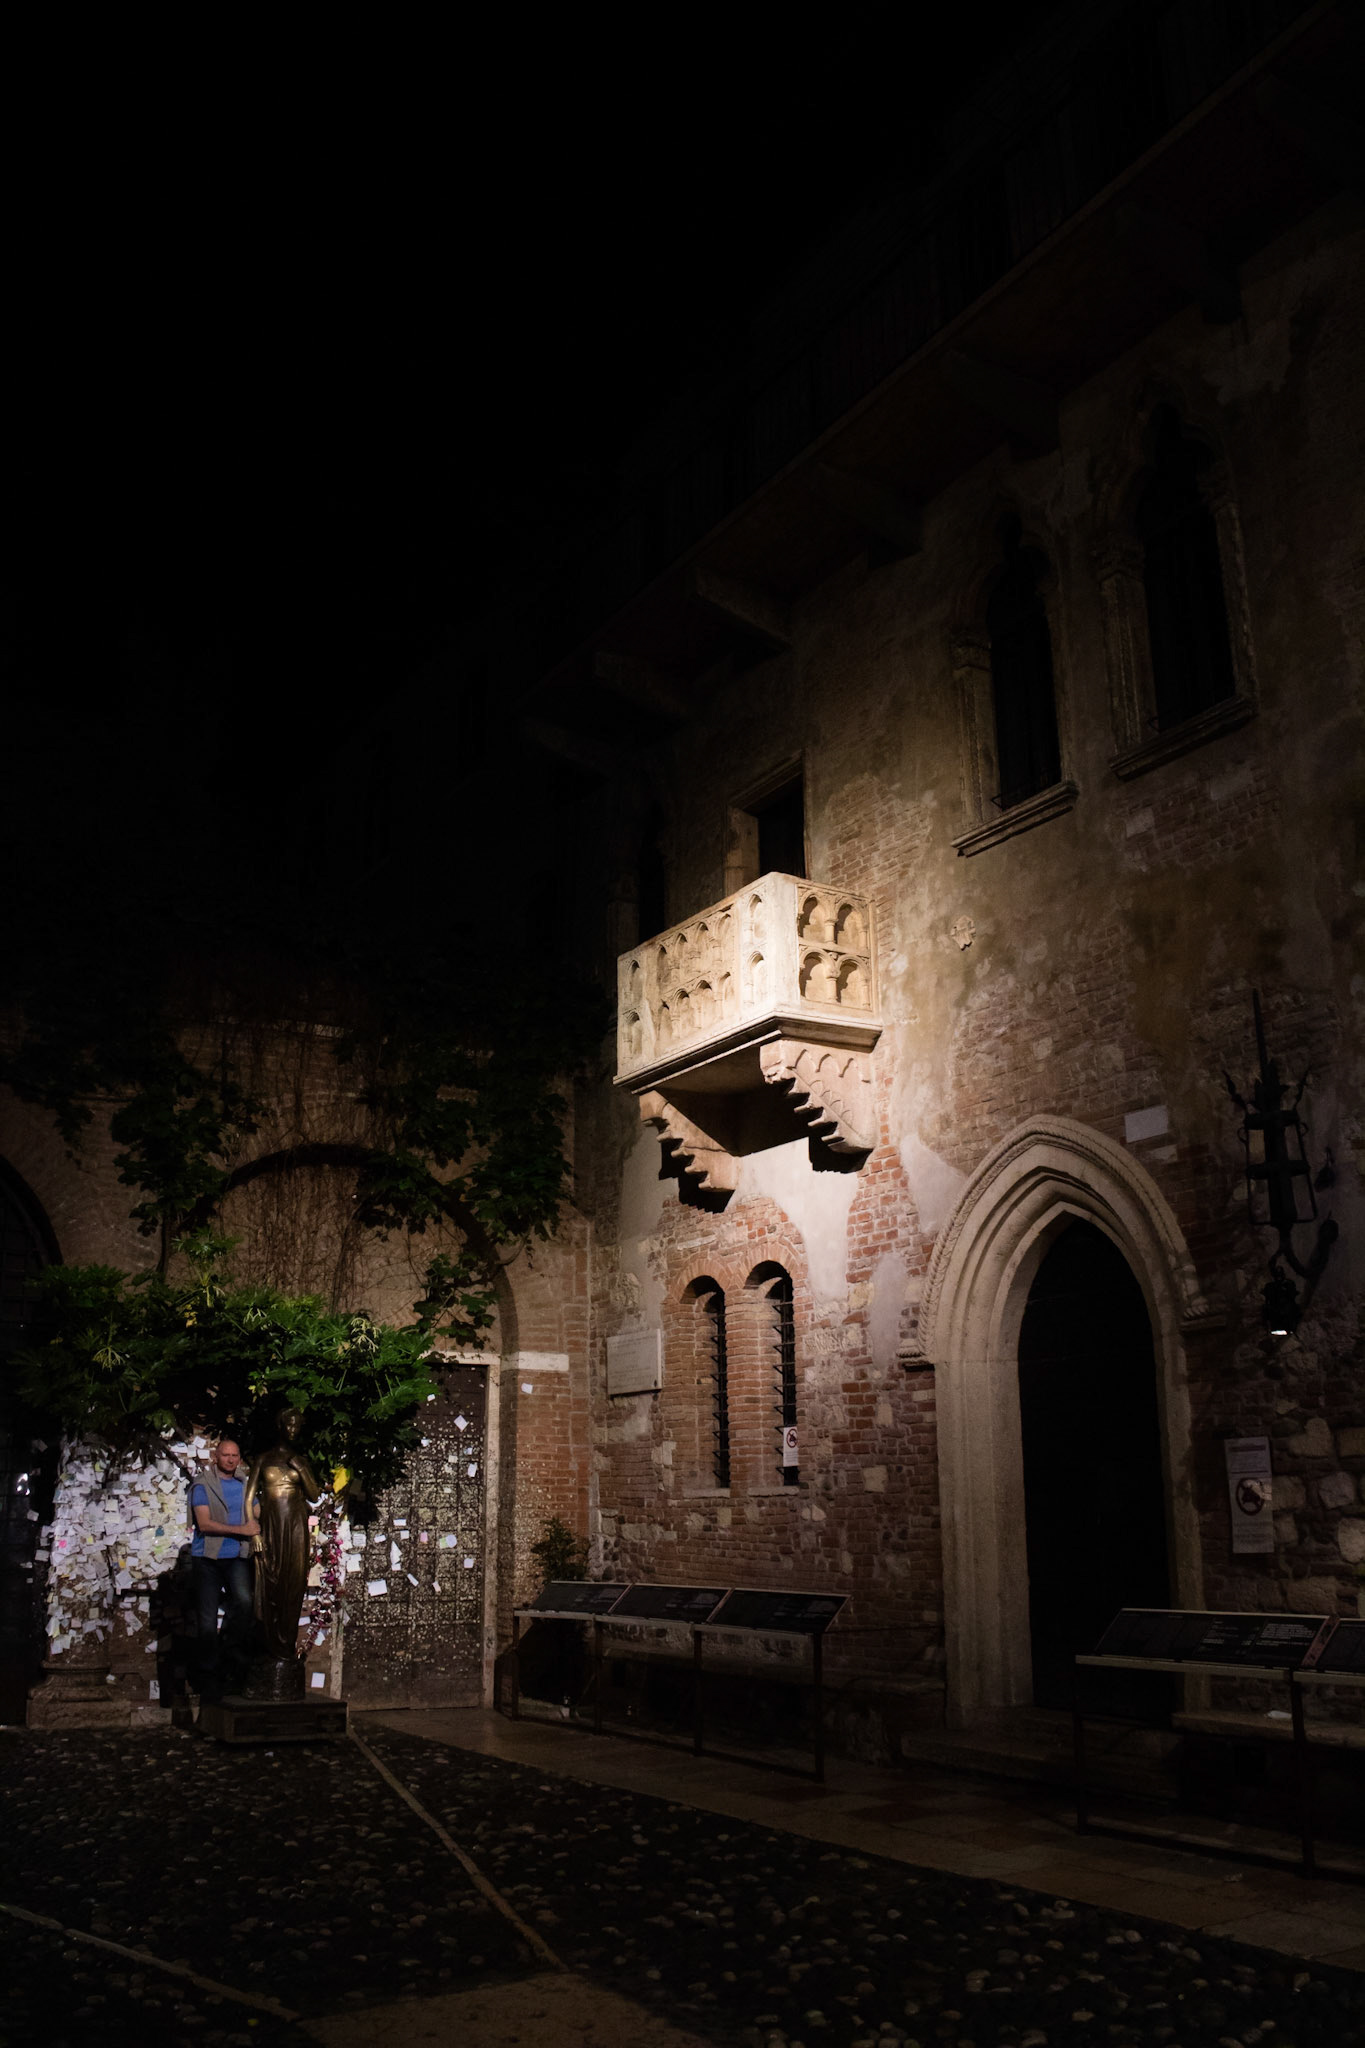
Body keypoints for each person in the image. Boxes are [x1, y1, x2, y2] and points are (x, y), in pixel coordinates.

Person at [243, 1406, 321, 1677]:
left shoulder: (300, 1460)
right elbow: (248, 1498)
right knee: (270, 1585)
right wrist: (254, 1534)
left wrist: (302, 1468)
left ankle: (286, 1647)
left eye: (297, 1426)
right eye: (289, 1425)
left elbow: (313, 1495)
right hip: (271, 1527)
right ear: (280, 1426)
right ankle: (269, 1647)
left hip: (296, 1527)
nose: (293, 1430)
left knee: (293, 1583)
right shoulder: (263, 1459)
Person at [189, 1437, 259, 1702]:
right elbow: (204, 1524)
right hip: (208, 1557)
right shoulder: (202, 1485)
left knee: (244, 1602)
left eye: (235, 1455)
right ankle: (208, 1675)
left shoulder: (244, 1485)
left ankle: (231, 1658)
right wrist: (242, 1529)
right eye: (226, 1455)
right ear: (216, 1457)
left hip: (236, 1555)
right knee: (207, 1619)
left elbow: (257, 1512)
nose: (230, 1460)